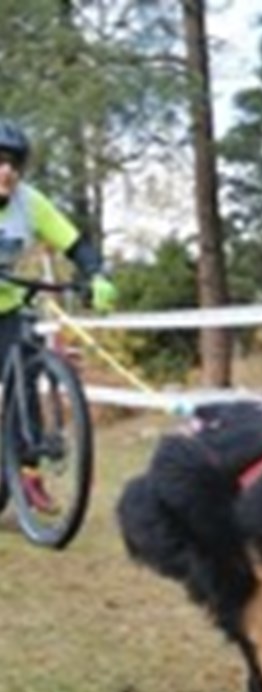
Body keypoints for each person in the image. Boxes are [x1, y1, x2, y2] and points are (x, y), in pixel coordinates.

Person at [0, 118, 118, 513]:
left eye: (14, 164)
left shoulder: (30, 203)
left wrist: (97, 274)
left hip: (7, 307)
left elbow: (75, 244)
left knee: (25, 377)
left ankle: (28, 473)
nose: (7, 172)